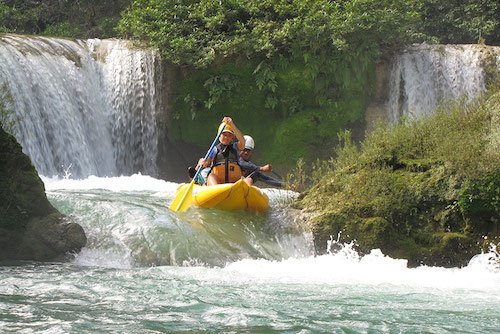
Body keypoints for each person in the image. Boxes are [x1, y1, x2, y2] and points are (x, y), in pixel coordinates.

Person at [196, 117, 246, 186]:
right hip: (218, 184)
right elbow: (206, 162)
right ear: (219, 136)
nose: (226, 137)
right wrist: (202, 162)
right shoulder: (214, 149)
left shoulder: (235, 147)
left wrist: (232, 125)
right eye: (224, 134)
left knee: (247, 180)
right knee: (211, 176)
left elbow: (243, 142)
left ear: (232, 138)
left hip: (234, 185)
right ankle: (216, 191)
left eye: (229, 135)